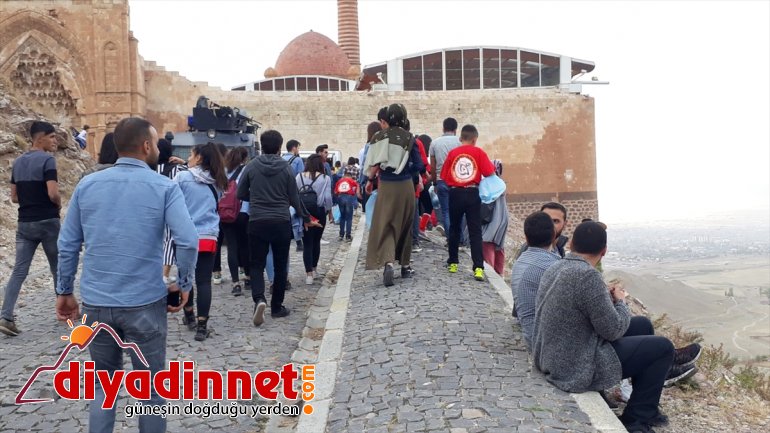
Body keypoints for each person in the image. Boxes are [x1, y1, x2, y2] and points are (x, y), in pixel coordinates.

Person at [55, 117, 198, 432]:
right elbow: (188, 241)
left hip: (96, 303)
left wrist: (64, 291)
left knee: (102, 388)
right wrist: (184, 284)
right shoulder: (164, 187)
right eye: (155, 142)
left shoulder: (87, 185)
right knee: (151, 390)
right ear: (146, 146)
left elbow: (67, 244)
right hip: (144, 302)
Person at [532, 221, 702, 433]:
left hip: (554, 353)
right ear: (604, 251)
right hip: (573, 365)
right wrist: (620, 301)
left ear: (572, 244)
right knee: (662, 347)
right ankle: (636, 420)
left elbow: (583, 310)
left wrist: (606, 300)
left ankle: (648, 402)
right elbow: (613, 330)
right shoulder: (587, 276)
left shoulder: (557, 267)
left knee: (642, 325)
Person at [238, 130, 316, 325]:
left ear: (262, 146)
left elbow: (240, 193)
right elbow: (294, 197)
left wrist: (256, 198)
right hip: (281, 221)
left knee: (256, 264)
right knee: (281, 265)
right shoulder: (286, 168)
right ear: (280, 147)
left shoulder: (251, 166)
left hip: (257, 221)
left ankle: (259, 299)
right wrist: (305, 217)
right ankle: (277, 307)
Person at [0, 121, 61, 337]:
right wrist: (58, 204)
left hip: (24, 223)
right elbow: (53, 193)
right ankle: (64, 310)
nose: (55, 141)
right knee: (57, 267)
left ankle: (6, 316)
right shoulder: (48, 160)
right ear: (40, 138)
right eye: (52, 137)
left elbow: (14, 197)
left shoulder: (18, 162)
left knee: (19, 271)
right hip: (48, 221)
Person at [364, 103, 424, 286]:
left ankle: (388, 262)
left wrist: (369, 181)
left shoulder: (378, 136)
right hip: (405, 185)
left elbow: (374, 164)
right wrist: (408, 171)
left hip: (386, 186)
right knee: (405, 224)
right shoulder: (409, 138)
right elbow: (419, 165)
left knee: (387, 224)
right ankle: (405, 266)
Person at [175, 142, 228, 341]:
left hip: (185, 236)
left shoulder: (182, 178)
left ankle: (188, 315)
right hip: (208, 236)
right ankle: (202, 326)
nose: (188, 158)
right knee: (204, 281)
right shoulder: (218, 180)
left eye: (190, 154)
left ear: (198, 158)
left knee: (185, 277)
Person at [441, 124, 496, 281]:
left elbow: (444, 176)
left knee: (454, 227)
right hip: (473, 193)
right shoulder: (479, 152)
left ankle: (453, 262)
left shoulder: (453, 153)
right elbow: (490, 172)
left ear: (461, 138)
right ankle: (478, 267)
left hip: (455, 193)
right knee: (475, 231)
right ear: (474, 139)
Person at [510, 211, 559, 349]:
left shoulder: (521, 260)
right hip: (548, 346)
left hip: (532, 337)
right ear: (554, 235)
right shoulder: (552, 266)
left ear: (526, 237)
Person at [297, 154, 333, 284]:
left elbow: (295, 194)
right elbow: (327, 197)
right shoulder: (325, 178)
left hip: (304, 211)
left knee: (307, 243)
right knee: (316, 241)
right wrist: (329, 211)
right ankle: (314, 268)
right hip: (319, 211)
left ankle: (309, 275)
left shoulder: (299, 177)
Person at [155, 138, 186, 285]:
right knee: (169, 240)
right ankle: (164, 274)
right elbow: (193, 172)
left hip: (151, 210)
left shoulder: (148, 169)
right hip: (169, 209)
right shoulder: (177, 169)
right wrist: (184, 162)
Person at [221, 147, 250, 296]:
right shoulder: (246, 170)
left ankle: (235, 282)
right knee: (244, 245)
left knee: (231, 247)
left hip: (225, 213)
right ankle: (248, 277)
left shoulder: (223, 171)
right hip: (243, 211)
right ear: (244, 158)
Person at [428, 117, 460, 235]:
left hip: (441, 180)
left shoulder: (434, 143)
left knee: (446, 211)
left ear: (443, 128)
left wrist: (434, 182)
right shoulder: (460, 142)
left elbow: (433, 166)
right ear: (455, 130)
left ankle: (450, 238)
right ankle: (460, 239)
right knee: (458, 211)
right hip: (457, 181)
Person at [480, 159, 508, 275]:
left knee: (487, 243)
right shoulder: (501, 184)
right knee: (498, 246)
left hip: (491, 220)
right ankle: (499, 274)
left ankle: (491, 274)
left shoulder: (487, 184)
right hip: (502, 218)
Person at [358, 120, 383, 211]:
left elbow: (365, 165)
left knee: (370, 211)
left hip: (371, 181)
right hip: (383, 181)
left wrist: (360, 183)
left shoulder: (369, 145)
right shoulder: (383, 144)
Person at [335, 165, 359, 241]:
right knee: (349, 218)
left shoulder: (339, 181)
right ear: (350, 176)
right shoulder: (352, 181)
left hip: (340, 197)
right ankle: (348, 236)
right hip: (349, 198)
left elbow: (335, 191)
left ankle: (341, 235)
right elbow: (356, 190)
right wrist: (356, 202)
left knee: (342, 217)